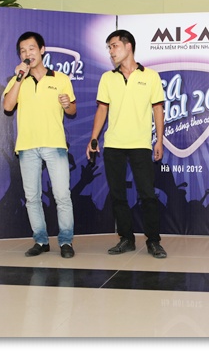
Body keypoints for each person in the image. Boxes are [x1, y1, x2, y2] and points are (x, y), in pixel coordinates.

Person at [87, 29, 167, 259]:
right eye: (109, 48)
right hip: (113, 144)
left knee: (147, 194)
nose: (111, 52)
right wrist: (94, 138)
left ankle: (153, 241)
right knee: (118, 195)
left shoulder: (150, 76)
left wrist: (159, 140)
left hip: (141, 144)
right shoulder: (107, 78)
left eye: (114, 46)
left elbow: (158, 109)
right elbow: (102, 109)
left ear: (128, 46)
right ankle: (126, 239)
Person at [3, 31, 76, 259]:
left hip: (54, 144)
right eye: (23, 51)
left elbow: (72, 110)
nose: (27, 54)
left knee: (62, 195)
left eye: (31, 49)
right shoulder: (17, 80)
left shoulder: (60, 79)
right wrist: (19, 78)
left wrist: (67, 104)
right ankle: (41, 240)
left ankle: (66, 241)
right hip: (27, 146)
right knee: (32, 197)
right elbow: (7, 106)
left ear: (42, 50)